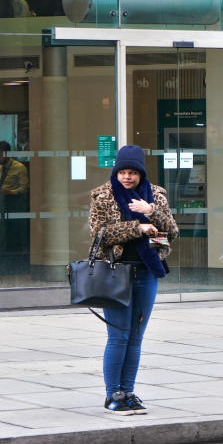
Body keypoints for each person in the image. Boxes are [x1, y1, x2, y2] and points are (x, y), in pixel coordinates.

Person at [89, 144, 178, 415]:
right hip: (117, 273)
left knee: (136, 337)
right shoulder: (103, 196)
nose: (127, 177)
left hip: (147, 272)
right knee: (118, 336)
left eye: (132, 172)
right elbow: (99, 233)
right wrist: (136, 227)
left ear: (141, 173)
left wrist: (151, 212)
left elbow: (171, 232)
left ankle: (128, 392)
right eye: (122, 172)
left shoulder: (156, 196)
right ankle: (112, 395)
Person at [0, 141, 30, 275]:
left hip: (14, 202)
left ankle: (16, 256)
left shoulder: (19, 167)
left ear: (7, 154)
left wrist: (11, 192)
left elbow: (24, 187)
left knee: (14, 229)